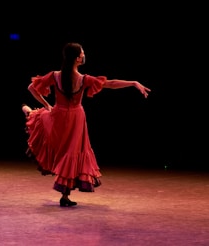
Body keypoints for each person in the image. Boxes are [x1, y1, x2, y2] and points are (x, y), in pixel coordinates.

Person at [22, 42, 151, 207]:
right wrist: (133, 83)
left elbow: (31, 87)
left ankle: (65, 196)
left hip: (59, 116)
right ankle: (29, 112)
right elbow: (110, 84)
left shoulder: (55, 75)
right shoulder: (83, 79)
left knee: (56, 139)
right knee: (70, 152)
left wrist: (47, 105)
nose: (84, 55)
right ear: (77, 58)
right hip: (76, 119)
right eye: (82, 53)